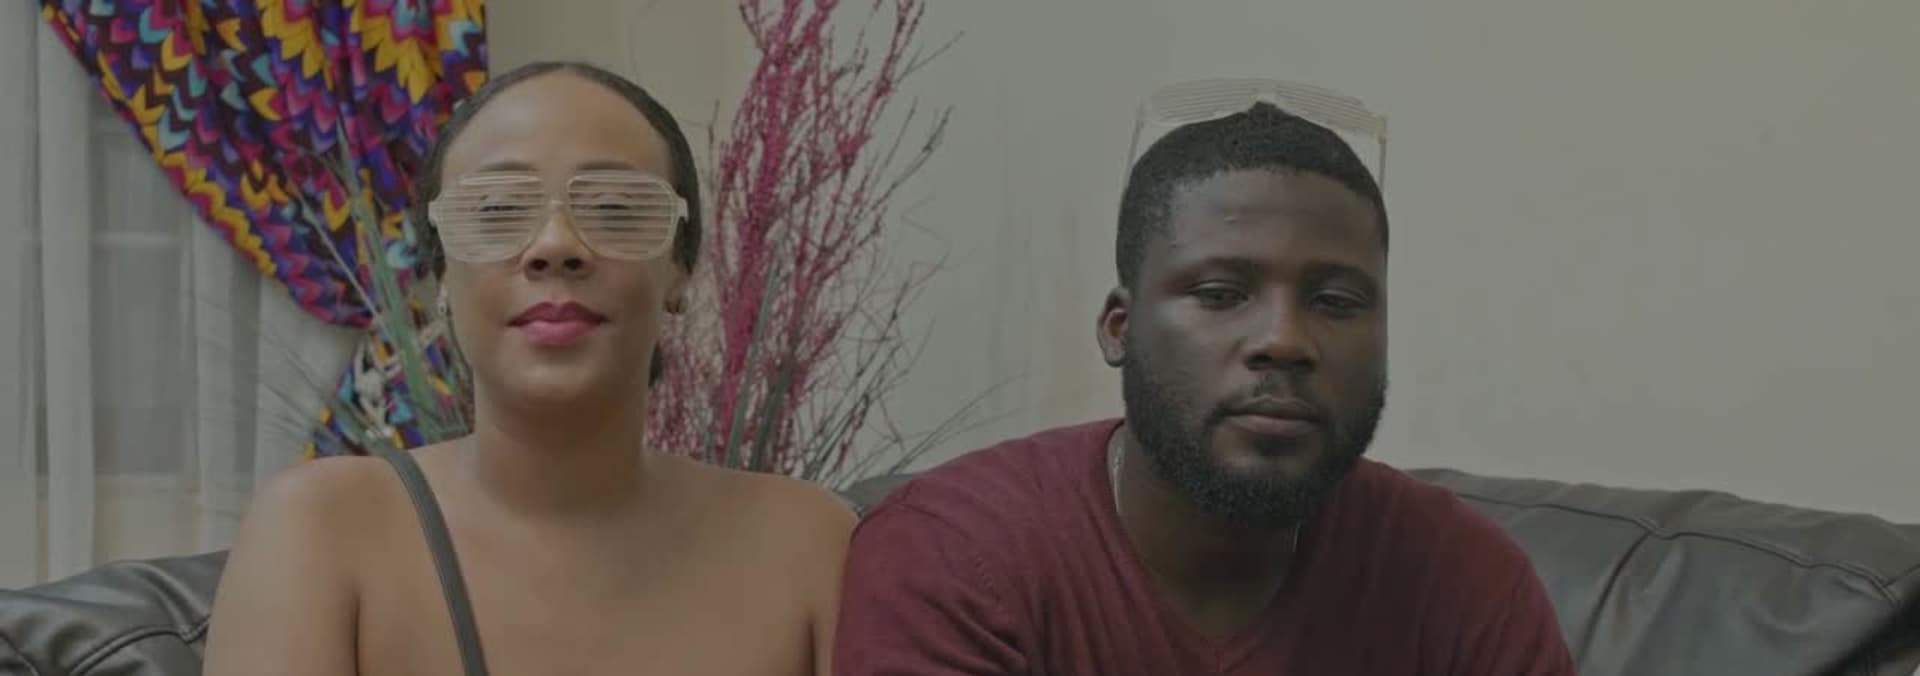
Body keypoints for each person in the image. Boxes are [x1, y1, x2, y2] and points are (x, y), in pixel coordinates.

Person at [832, 102, 1577, 674]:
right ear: (1120, 328)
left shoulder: (1463, 579)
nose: (1284, 340)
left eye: (1336, 302)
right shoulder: (954, 560)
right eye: (1221, 293)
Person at [203, 62, 856, 676]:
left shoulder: (810, 544)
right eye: (497, 211)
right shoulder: (320, 531)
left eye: (614, 209)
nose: (556, 245)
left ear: (680, 269)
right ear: (442, 276)